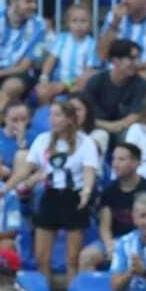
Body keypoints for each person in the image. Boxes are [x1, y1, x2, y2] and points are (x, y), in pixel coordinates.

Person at [13, 98, 100, 275]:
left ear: (69, 118)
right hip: (50, 195)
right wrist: (7, 187)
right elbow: (26, 169)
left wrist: (86, 191)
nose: (52, 119)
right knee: (41, 257)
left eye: (57, 115)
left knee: (72, 259)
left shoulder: (86, 142)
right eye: (50, 115)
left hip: (74, 196)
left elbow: (89, 171)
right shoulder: (43, 139)